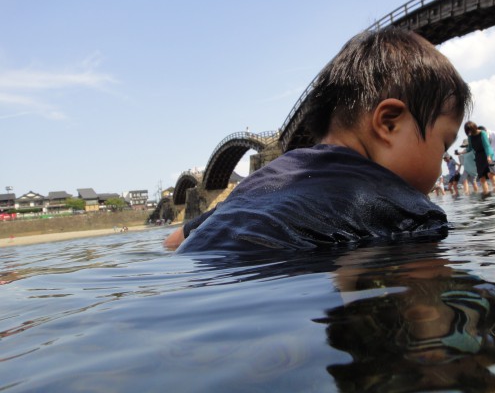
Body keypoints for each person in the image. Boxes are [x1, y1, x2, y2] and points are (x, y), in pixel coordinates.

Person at [164, 27, 472, 253]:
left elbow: (175, 241)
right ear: (389, 123)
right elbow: (425, 315)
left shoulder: (261, 182)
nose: (442, 163)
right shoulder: (410, 212)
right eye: (443, 144)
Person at [464, 121, 494, 194]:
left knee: (490, 174)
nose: (469, 132)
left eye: (470, 130)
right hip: (478, 156)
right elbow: (470, 148)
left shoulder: (482, 133)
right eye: (468, 131)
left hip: (486, 154)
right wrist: (461, 152)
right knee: (481, 177)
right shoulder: (470, 137)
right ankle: (486, 193)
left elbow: (487, 146)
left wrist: (489, 156)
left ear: (474, 128)